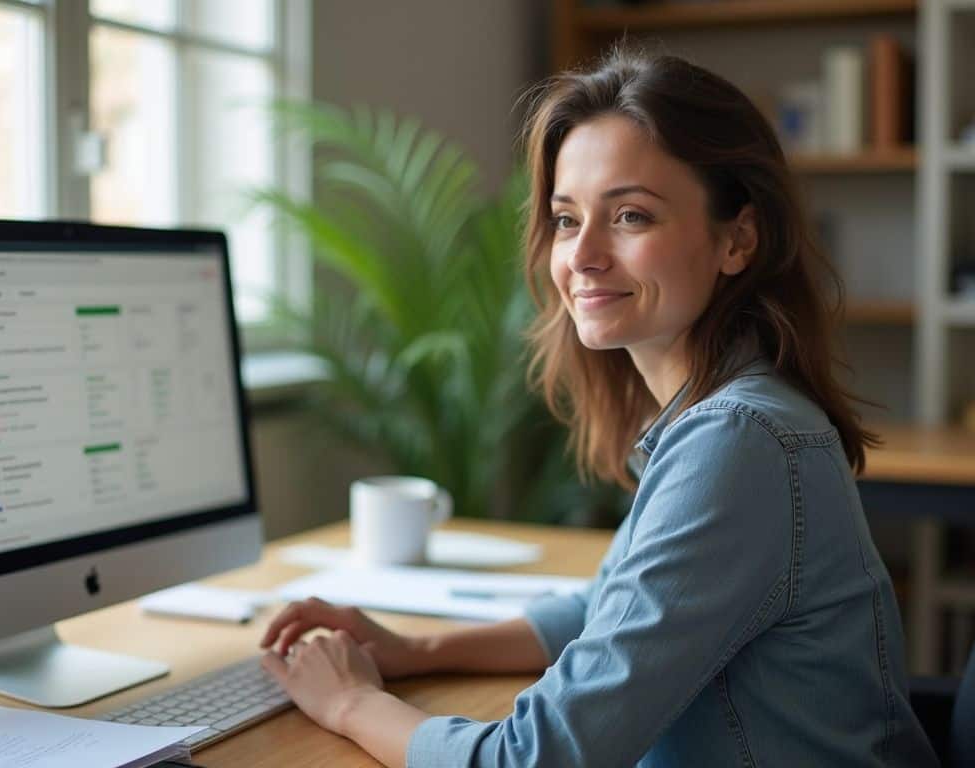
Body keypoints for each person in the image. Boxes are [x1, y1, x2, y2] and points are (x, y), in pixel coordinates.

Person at [258, 47, 938, 767]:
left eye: (631, 216)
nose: (581, 255)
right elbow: (611, 606)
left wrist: (348, 703)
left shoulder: (739, 442)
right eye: (565, 218)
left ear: (737, 239)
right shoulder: (723, 411)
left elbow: (533, 761)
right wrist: (415, 651)